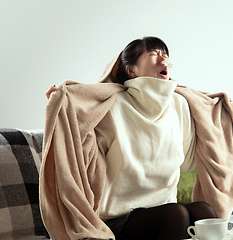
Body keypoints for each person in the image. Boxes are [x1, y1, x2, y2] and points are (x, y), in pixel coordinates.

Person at [44, 37, 220, 240]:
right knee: (176, 214)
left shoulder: (179, 104)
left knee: (204, 212)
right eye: (154, 54)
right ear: (132, 70)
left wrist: (221, 112)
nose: (163, 59)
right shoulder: (112, 105)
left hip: (164, 209)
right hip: (119, 217)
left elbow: (189, 163)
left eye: (166, 55)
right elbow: (81, 144)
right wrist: (59, 108)